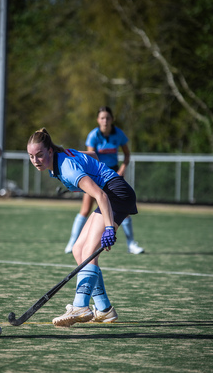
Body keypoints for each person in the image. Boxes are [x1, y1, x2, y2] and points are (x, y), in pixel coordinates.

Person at [27, 128, 138, 327]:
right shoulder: (60, 158)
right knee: (79, 250)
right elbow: (93, 155)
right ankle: (104, 310)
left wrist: (109, 228)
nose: (35, 160)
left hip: (116, 194)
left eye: (40, 155)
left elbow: (101, 196)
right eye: (31, 156)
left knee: (89, 251)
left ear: (50, 151)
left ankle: (81, 306)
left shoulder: (67, 168)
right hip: (110, 193)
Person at [64, 106, 144, 255]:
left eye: (107, 118)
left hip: (113, 176)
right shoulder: (93, 135)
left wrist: (122, 169)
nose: (105, 121)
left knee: (124, 211)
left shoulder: (118, 134)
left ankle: (131, 244)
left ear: (112, 119)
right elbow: (89, 157)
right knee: (86, 209)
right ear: (98, 120)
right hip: (95, 176)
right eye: (102, 118)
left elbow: (127, 154)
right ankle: (72, 242)